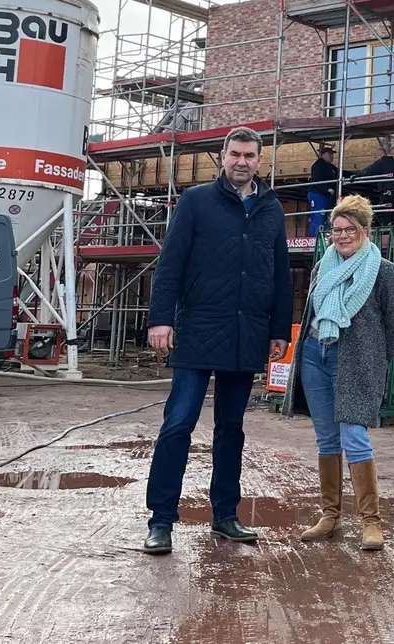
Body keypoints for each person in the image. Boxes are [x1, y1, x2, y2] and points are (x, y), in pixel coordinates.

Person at [139, 127, 293, 555]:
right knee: (178, 424)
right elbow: (170, 263)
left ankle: (225, 516)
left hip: (246, 335)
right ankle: (162, 521)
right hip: (198, 328)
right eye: (235, 154)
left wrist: (280, 330)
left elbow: (280, 274)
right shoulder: (196, 202)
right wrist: (160, 320)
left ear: (260, 161)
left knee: (231, 428)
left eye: (250, 155)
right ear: (222, 158)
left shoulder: (271, 209)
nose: (242, 162)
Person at [289, 195, 394, 551]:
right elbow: (313, 309)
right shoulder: (322, 267)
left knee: (354, 438)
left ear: (365, 230)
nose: (342, 236)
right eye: (336, 230)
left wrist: (375, 362)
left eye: (349, 229)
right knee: (326, 439)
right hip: (315, 354)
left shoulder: (385, 271)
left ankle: (371, 522)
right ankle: (330, 515)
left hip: (355, 361)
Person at [307, 143, 341, 239]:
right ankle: (315, 238)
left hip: (325, 195)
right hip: (318, 193)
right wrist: (326, 189)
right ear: (323, 155)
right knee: (319, 214)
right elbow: (317, 179)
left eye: (332, 154)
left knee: (325, 216)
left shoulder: (330, 167)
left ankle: (323, 236)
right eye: (329, 154)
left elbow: (340, 172)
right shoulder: (318, 165)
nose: (332, 156)